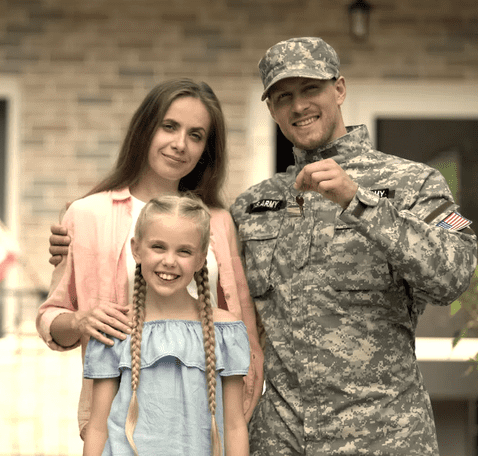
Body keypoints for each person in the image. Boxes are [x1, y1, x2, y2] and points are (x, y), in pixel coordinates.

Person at [230, 37, 478, 455]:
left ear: (339, 89)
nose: (298, 106)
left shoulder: (414, 183)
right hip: (280, 441)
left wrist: (358, 203)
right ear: (271, 110)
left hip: (384, 438)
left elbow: (455, 273)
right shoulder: (253, 205)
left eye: (311, 89)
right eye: (283, 96)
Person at [36, 78, 264, 440]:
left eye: (196, 135)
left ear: (206, 149)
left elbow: (241, 325)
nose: (180, 144)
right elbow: (50, 317)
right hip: (122, 423)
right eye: (169, 126)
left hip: (207, 423)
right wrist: (81, 321)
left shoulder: (219, 222)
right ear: (145, 129)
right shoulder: (86, 215)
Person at [82, 194, 250, 456]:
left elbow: (235, 426)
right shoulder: (116, 329)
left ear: (200, 259)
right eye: (158, 247)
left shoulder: (225, 332)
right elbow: (97, 428)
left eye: (184, 251)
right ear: (136, 249)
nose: (169, 261)